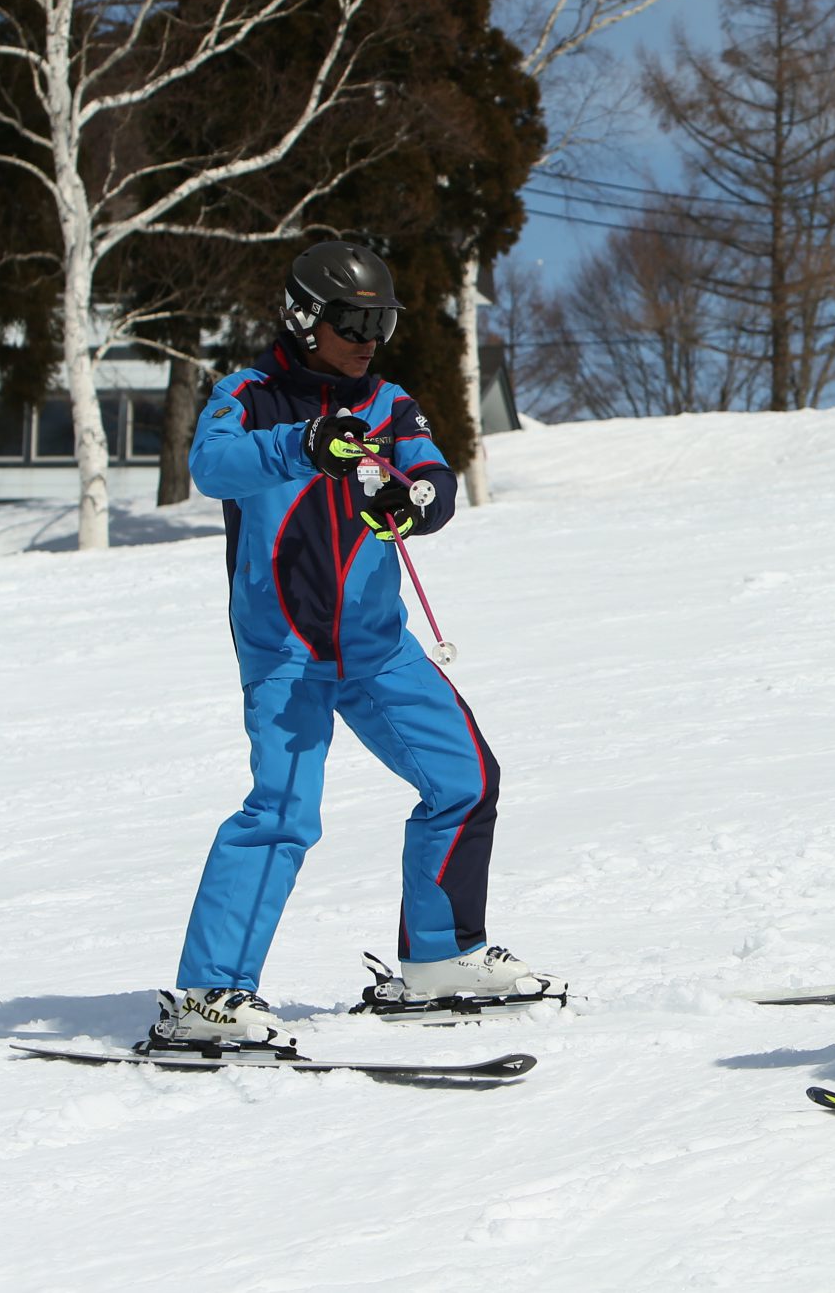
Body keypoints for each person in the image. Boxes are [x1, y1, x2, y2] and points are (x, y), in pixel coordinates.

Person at [158, 241, 549, 1043]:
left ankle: (440, 958)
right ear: (306, 318)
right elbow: (212, 465)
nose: (370, 337)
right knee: (282, 814)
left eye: (383, 321)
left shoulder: (389, 404)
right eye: (354, 321)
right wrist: (303, 444)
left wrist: (414, 502)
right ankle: (209, 997)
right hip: (287, 653)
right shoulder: (249, 395)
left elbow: (434, 477)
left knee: (465, 779)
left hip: (376, 648)